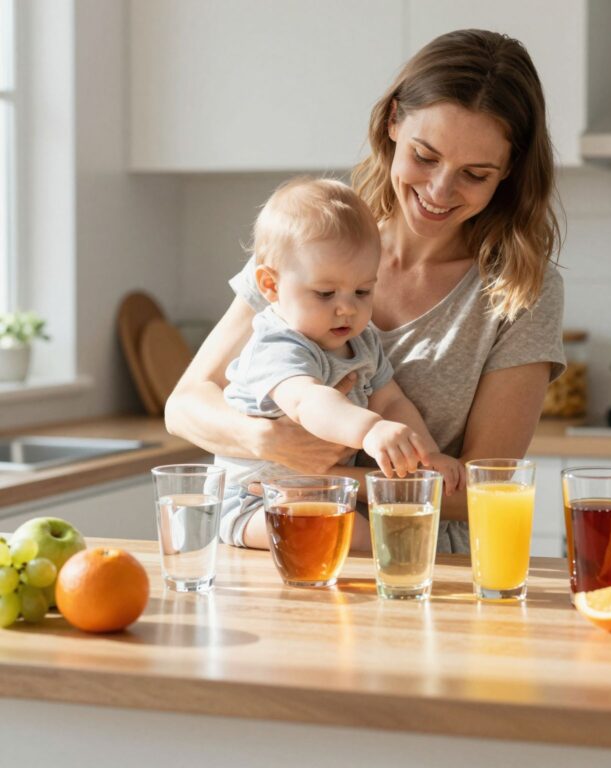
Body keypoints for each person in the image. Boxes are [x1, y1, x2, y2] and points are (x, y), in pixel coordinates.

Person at [165, 29, 565, 554]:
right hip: (275, 545)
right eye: (425, 156)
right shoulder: (316, 242)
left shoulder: (520, 289)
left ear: (508, 171)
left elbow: (483, 490)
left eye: (474, 173)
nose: (439, 192)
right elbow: (186, 404)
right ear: (395, 121)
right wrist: (270, 443)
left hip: (420, 563)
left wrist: (328, 481)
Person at [215, 177, 465, 545]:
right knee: (363, 539)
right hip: (254, 500)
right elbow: (308, 401)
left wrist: (427, 455)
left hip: (320, 495)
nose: (347, 307)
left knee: (372, 537)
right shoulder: (277, 342)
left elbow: (391, 399)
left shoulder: (361, 340)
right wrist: (369, 431)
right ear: (270, 286)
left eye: (363, 291)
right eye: (325, 293)